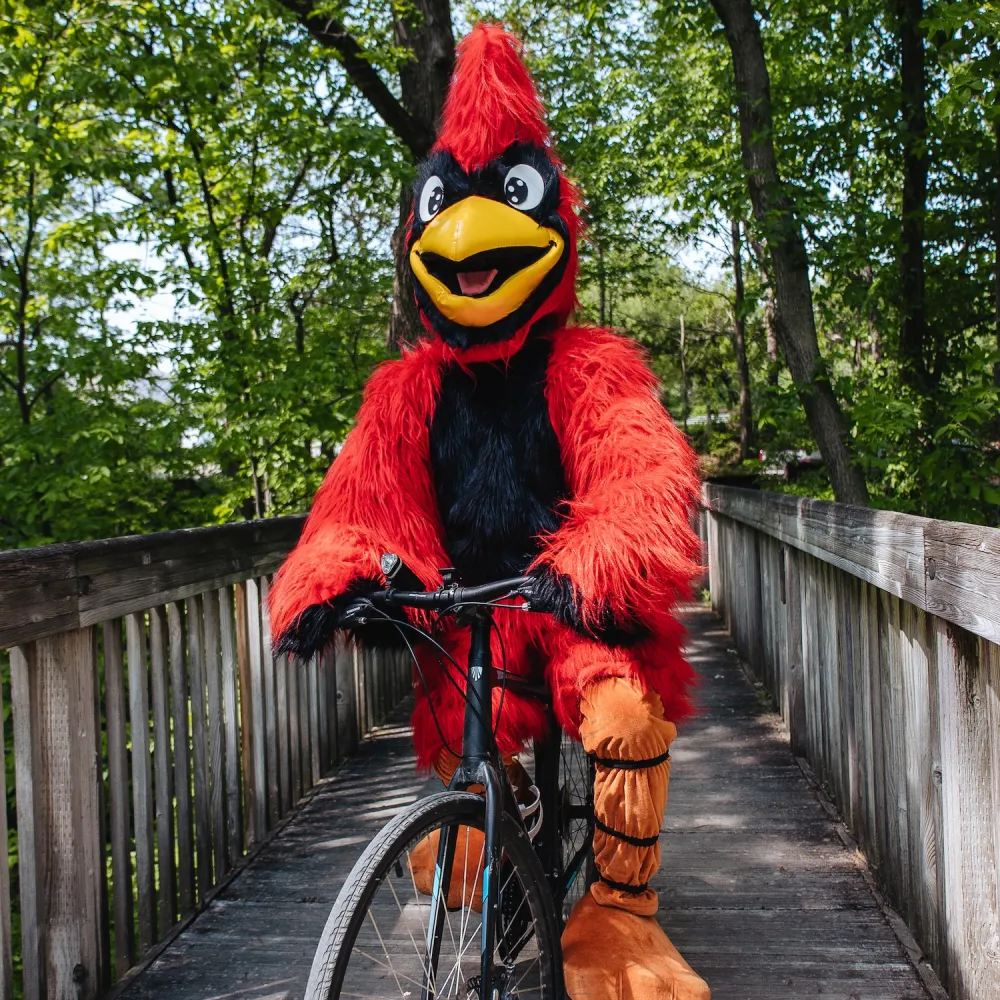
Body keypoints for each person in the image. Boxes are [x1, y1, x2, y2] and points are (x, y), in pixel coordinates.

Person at [269, 23, 710, 999]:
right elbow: (356, 506)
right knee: (462, 756)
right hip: (471, 616)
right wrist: (341, 581)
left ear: (553, 219)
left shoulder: (587, 364)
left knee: (626, 719)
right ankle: (498, 829)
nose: (469, 246)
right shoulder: (405, 392)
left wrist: (592, 561)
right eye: (444, 211)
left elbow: (642, 473)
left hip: (565, 610)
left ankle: (620, 921)